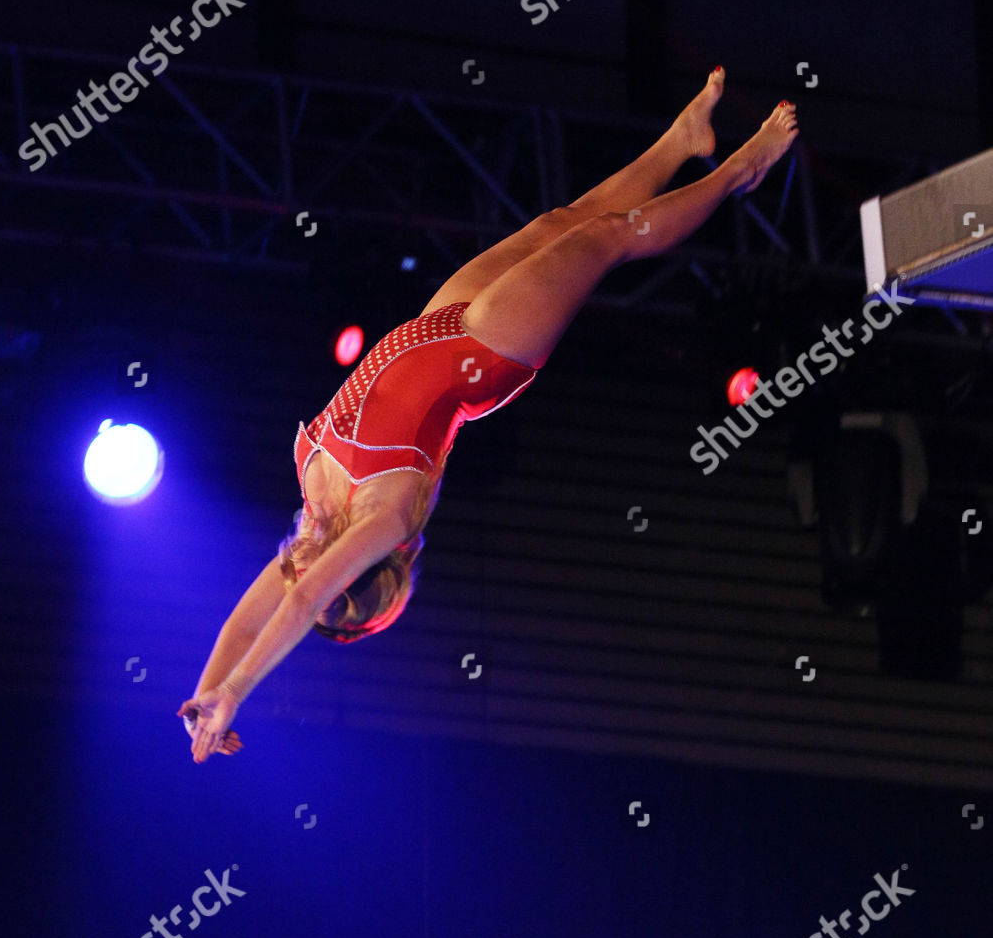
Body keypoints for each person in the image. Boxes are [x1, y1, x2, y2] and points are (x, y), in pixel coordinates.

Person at [179, 70, 798, 762]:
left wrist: (208, 693)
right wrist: (238, 692)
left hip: (436, 327)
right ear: (355, 570)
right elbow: (291, 613)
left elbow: (254, 612)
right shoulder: (384, 521)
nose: (299, 573)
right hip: (484, 353)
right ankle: (740, 170)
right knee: (609, 236)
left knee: (558, 223)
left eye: (308, 581)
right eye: (322, 587)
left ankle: (683, 141)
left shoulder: (314, 514)